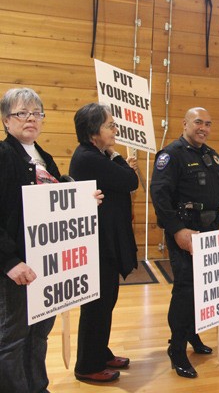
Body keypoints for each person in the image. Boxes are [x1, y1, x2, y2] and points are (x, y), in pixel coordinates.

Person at [150, 107, 219, 377]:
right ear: (185, 123)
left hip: (211, 232)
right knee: (186, 289)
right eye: (198, 122)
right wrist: (177, 230)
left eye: (208, 124)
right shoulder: (171, 155)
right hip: (186, 233)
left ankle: (193, 335)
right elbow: (160, 195)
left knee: (204, 289)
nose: (203, 128)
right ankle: (176, 348)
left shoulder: (211, 155)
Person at [69, 103, 139, 382]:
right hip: (97, 243)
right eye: (110, 125)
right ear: (92, 132)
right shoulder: (89, 157)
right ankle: (87, 365)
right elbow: (130, 180)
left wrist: (112, 157)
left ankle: (100, 352)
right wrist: (117, 156)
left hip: (106, 240)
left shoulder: (95, 155)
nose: (115, 130)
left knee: (106, 299)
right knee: (97, 303)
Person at [0, 87, 61, 393]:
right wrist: (9, 261)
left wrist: (84, 200)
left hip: (46, 263)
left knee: (40, 332)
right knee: (13, 337)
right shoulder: (3, 155)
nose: (30, 119)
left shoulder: (46, 158)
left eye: (36, 113)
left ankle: (37, 386)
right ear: (6, 121)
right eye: (21, 113)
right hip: (16, 265)